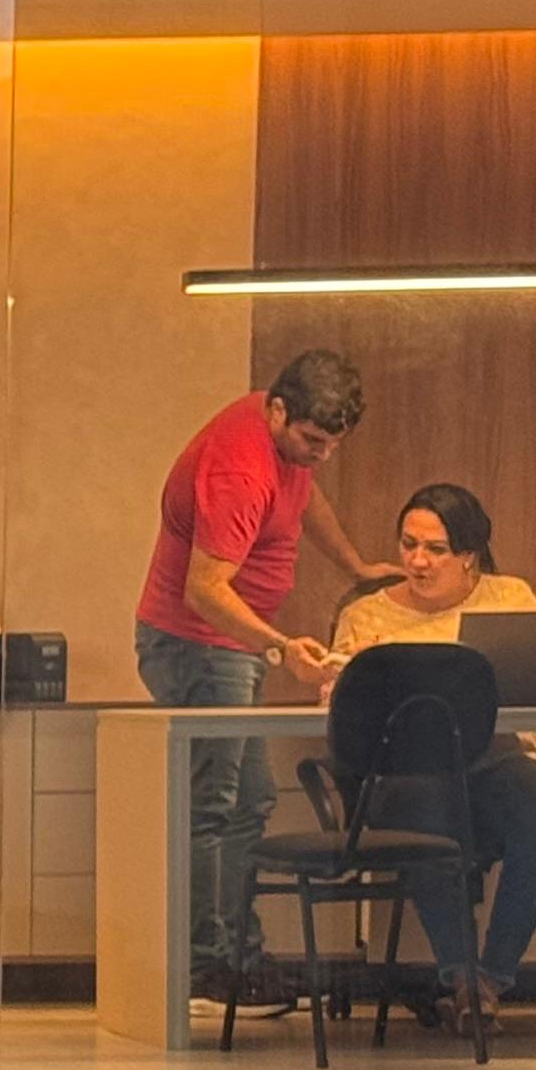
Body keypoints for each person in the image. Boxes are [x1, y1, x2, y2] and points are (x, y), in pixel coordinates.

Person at [314, 482, 536, 1021]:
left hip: (495, 766)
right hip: (404, 776)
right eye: (409, 544)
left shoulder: (510, 600)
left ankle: (492, 975)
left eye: (435, 549)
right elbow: (342, 712)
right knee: (427, 801)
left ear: (470, 556)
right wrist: (336, 681)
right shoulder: (366, 616)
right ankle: (461, 976)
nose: (417, 561)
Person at [134, 349, 378, 1009]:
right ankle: (205, 969)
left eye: (332, 445)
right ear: (277, 411)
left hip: (230, 647)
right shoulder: (240, 469)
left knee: (249, 803)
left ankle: (237, 957)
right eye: (312, 441)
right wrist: (280, 648)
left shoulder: (280, 441)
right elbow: (204, 590)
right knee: (215, 807)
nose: (320, 455)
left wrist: (356, 567)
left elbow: (305, 497)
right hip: (200, 645)